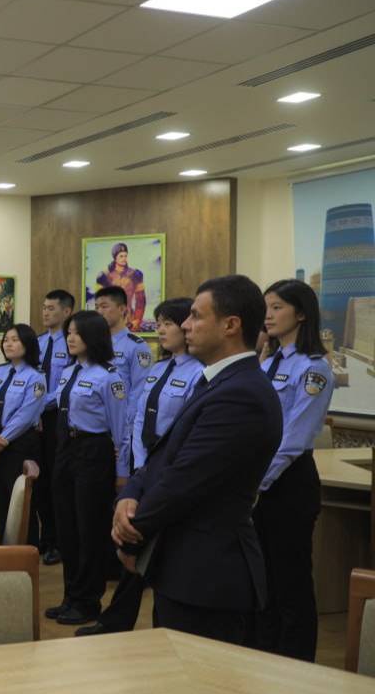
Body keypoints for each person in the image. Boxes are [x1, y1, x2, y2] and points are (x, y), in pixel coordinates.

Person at [114, 275, 282, 646]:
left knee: (199, 677)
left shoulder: (242, 394)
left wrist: (131, 535)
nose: (186, 325)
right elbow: (165, 454)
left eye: (195, 316)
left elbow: (185, 480)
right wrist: (130, 494)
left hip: (209, 574)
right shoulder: (218, 382)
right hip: (184, 567)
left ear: (230, 325)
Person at [76, 297, 201, 636]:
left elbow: (183, 430)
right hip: (146, 465)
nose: (161, 330)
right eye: (158, 323)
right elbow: (136, 418)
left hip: (172, 471)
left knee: (142, 544)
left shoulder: (199, 374)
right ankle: (116, 621)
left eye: (169, 323)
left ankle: (123, 621)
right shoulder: (158, 369)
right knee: (134, 543)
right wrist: (138, 466)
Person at [252, 279, 334, 661]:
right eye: (266, 307)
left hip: (288, 483)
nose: (268, 315)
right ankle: (265, 655)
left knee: (291, 581)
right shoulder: (268, 362)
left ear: (301, 313)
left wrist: (256, 483)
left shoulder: (314, 368)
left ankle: (296, 663)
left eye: (277, 307)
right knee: (263, 578)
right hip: (259, 481)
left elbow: (294, 439)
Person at [47, 311, 130, 626]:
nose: (70, 338)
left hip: (94, 451)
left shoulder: (109, 377)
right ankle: (70, 596)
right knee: (66, 526)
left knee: (89, 528)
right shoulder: (69, 372)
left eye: (77, 333)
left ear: (93, 337)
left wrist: (122, 472)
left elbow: (121, 430)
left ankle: (88, 601)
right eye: (68, 333)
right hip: (66, 449)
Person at [0, 325, 46, 539]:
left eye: (15, 340)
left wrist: (0, 444)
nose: (8, 344)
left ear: (27, 344)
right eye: (6, 339)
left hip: (19, 445)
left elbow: (25, 417)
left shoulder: (35, 378)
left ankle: (25, 549)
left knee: (20, 502)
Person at [35, 289, 75, 563]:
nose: (46, 312)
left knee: (57, 480)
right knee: (39, 480)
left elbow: (65, 386)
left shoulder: (72, 343)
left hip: (58, 417)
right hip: (35, 418)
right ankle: (45, 535)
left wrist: (41, 405)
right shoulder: (37, 342)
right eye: (44, 307)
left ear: (67, 311)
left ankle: (60, 541)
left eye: (51, 308)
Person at [94, 286, 153, 429]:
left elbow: (139, 390)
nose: (99, 312)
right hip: (93, 422)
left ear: (122, 309)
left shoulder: (136, 346)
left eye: (104, 306)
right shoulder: (92, 343)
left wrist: (124, 426)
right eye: (96, 307)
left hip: (119, 423)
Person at [95, 242, 147, 332]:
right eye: (121, 256)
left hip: (130, 319)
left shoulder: (135, 274)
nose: (124, 259)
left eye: (125, 256)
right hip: (109, 320)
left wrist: (137, 320)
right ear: (115, 258)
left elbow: (140, 299)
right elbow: (99, 302)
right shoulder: (103, 276)